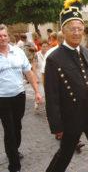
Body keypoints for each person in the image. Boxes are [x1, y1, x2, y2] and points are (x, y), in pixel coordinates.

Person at [44, 0, 88, 172]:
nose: (77, 32)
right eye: (72, 29)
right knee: (65, 154)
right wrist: (57, 126)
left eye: (80, 29)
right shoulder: (54, 59)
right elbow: (52, 96)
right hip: (71, 118)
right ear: (63, 31)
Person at [0, 24, 42, 172]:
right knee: (9, 129)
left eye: (4, 35)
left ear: (8, 36)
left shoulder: (18, 52)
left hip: (19, 96)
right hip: (2, 99)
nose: (2, 38)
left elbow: (28, 72)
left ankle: (14, 150)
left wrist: (37, 91)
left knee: (17, 126)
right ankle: (14, 165)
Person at [34, 39, 49, 111]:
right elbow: (33, 65)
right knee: (41, 92)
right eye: (43, 46)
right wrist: (35, 76)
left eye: (46, 46)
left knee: (47, 93)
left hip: (47, 76)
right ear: (41, 47)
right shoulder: (37, 54)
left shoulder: (49, 54)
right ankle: (37, 103)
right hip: (39, 76)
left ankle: (47, 107)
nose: (45, 48)